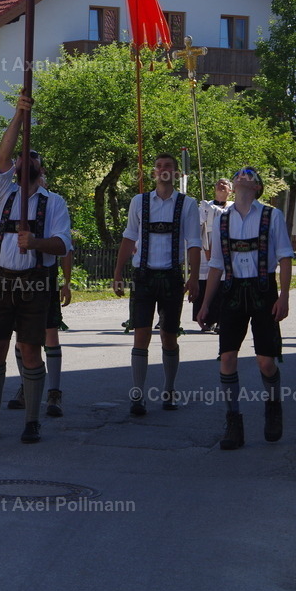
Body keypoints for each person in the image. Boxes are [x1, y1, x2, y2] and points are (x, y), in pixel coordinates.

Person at [0, 95, 72, 444]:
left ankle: (32, 421)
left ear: (41, 168)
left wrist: (35, 243)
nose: (24, 157)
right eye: (22, 154)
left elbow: (63, 245)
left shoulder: (54, 202)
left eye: (32, 155)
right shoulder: (2, 192)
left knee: (31, 349)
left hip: (36, 283)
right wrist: (18, 114)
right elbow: (3, 155)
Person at [197, 167, 294, 450]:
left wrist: (284, 296)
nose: (242, 175)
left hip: (263, 289)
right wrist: (205, 305)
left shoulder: (271, 215)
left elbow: (285, 257)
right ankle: (233, 421)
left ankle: (273, 406)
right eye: (239, 173)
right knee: (227, 358)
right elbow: (215, 264)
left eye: (248, 174)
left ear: (257, 186)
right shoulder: (222, 220)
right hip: (232, 291)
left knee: (265, 361)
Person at [112, 154, 201, 416]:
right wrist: (118, 272)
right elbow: (129, 238)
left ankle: (169, 390)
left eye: (168, 167)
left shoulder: (188, 204)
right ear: (153, 173)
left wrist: (194, 277)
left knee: (169, 337)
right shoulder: (139, 202)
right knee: (140, 336)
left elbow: (194, 242)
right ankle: (138, 394)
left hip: (172, 277)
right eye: (159, 166)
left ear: (175, 174)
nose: (163, 170)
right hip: (144, 277)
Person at [7, 249, 73, 417]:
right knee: (21, 336)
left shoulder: (53, 221)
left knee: (50, 333)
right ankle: (26, 388)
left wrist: (67, 283)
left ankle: (54, 394)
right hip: (18, 277)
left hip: (46, 277)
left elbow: (66, 249)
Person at [192, 179, 233, 333]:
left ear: (230, 190)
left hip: (225, 250)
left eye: (225, 184)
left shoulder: (233, 207)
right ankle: (206, 320)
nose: (221, 186)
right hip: (206, 250)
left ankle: (223, 320)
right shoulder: (205, 206)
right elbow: (198, 226)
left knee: (223, 287)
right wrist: (204, 213)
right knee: (205, 286)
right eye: (218, 184)